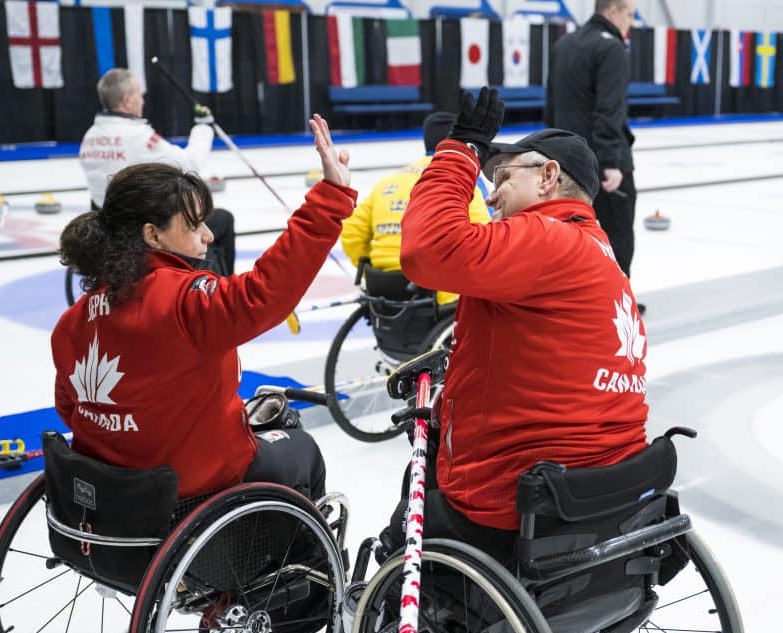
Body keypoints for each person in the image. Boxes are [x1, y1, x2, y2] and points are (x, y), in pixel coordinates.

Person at [387, 87, 649, 564]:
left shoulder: (545, 236)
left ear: (549, 176)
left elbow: (425, 250)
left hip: (515, 500)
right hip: (605, 489)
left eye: (504, 176)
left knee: (411, 501)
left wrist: (460, 152)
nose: (490, 193)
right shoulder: (602, 255)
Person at [53, 115, 355, 502]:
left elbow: (71, 408)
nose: (209, 236)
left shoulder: (72, 321)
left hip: (111, 497)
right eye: (195, 225)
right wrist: (330, 196)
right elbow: (267, 291)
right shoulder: (185, 302)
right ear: (153, 234)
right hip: (190, 485)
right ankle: (308, 561)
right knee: (302, 449)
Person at [79, 68, 235, 276]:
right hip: (142, 233)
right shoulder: (138, 136)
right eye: (140, 96)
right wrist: (203, 127)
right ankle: (220, 292)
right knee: (222, 221)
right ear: (127, 101)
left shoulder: (90, 137)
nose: (143, 101)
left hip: (108, 228)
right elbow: (188, 164)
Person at [546, 0, 642, 311]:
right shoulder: (611, 48)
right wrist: (612, 162)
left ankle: (571, 300)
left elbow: (552, 106)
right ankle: (617, 305)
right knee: (616, 234)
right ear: (612, 11)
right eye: (629, 14)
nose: (631, 22)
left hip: (565, 160)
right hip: (601, 161)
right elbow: (609, 110)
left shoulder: (563, 44)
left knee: (569, 235)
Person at [339, 111, 490, 306]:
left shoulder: (390, 181)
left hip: (383, 282)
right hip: (437, 290)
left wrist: (369, 262)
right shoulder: (462, 182)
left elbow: (351, 232)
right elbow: (482, 239)